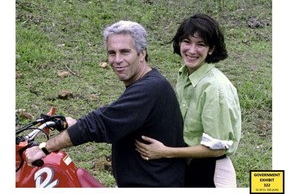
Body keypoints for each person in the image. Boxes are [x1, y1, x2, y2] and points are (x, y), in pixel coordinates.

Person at [25, 20, 186, 187]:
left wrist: (43, 149)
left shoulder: (150, 88)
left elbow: (100, 123)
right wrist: (76, 124)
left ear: (142, 53)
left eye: (125, 52)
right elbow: (114, 118)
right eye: (112, 53)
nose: (117, 60)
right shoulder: (147, 82)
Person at [135, 13, 242, 188]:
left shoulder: (215, 88)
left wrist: (165, 152)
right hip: (189, 167)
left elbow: (217, 148)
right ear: (179, 43)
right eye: (187, 42)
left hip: (211, 172)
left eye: (200, 44)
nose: (192, 50)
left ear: (212, 49)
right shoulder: (185, 74)